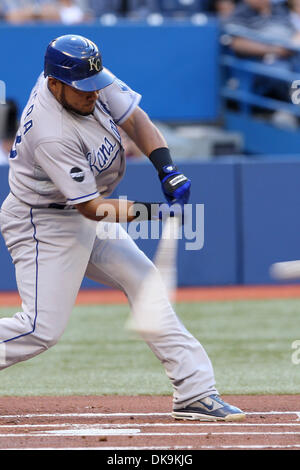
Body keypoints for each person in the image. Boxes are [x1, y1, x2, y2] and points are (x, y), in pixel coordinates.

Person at [0, 34, 245, 422]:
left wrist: (168, 169)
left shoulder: (82, 75)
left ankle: (195, 392)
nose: (93, 95)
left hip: (79, 208)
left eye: (94, 86)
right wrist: (153, 213)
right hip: (44, 221)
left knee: (144, 281)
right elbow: (92, 209)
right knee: (39, 328)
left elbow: (135, 119)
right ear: (54, 85)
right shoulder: (51, 132)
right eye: (83, 90)